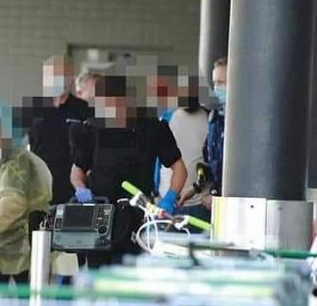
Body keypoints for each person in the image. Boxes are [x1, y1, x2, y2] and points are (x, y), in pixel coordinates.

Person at [70, 74, 187, 265]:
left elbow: (179, 168)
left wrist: (169, 200)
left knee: (131, 270)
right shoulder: (91, 129)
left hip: (137, 216)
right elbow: (77, 171)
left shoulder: (152, 128)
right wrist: (81, 189)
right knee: (97, 272)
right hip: (100, 213)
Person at [26, 55, 90, 205]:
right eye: (53, 75)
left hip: (73, 192)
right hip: (38, 192)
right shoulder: (32, 109)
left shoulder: (85, 110)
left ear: (71, 77)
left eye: (62, 74)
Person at [157, 74, 211, 222]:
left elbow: (215, 162)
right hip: (166, 201)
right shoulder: (166, 119)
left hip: (200, 202)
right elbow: (157, 159)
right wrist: (155, 193)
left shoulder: (211, 119)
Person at [202, 57, 228, 208]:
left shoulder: (244, 123)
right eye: (215, 83)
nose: (217, 89)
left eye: (221, 83)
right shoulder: (215, 118)